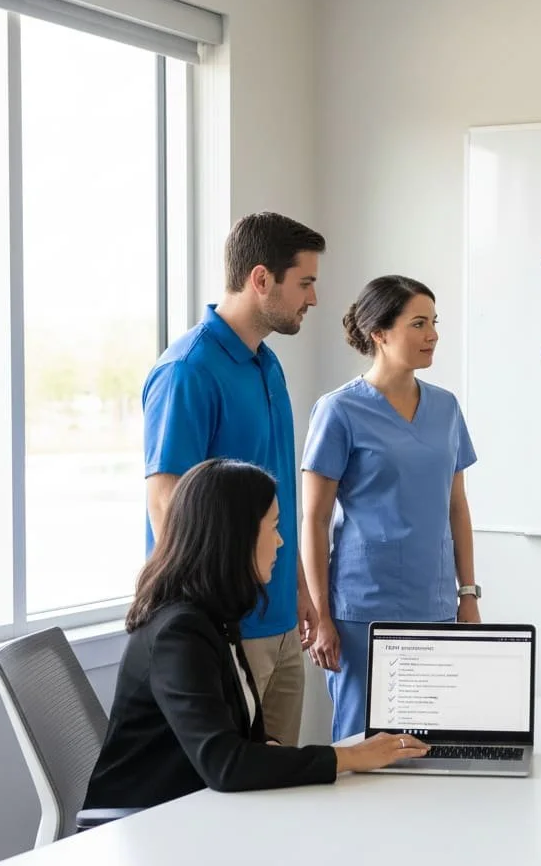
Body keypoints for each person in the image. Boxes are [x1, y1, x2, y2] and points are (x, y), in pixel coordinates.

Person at [82, 459, 428, 813]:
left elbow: (242, 739)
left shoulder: (215, 614)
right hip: (144, 824)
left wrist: (276, 752)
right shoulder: (178, 632)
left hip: (196, 809)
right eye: (274, 527)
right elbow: (225, 764)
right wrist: (349, 757)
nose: (280, 542)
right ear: (236, 535)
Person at [142, 212, 323, 746]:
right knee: (225, 801)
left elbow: (278, 493)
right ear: (261, 279)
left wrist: (301, 589)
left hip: (283, 619)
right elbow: (167, 504)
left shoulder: (266, 364)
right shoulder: (188, 370)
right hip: (228, 627)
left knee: (282, 786)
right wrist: (216, 623)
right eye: (305, 283)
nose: (312, 299)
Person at [300, 275, 481, 740]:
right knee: (364, 748)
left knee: (433, 743)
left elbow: (456, 506)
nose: (433, 335)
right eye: (418, 323)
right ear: (379, 332)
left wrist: (468, 594)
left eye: (434, 322)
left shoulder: (446, 408)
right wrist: (321, 616)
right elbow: (314, 519)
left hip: (436, 603)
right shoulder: (338, 411)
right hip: (364, 610)